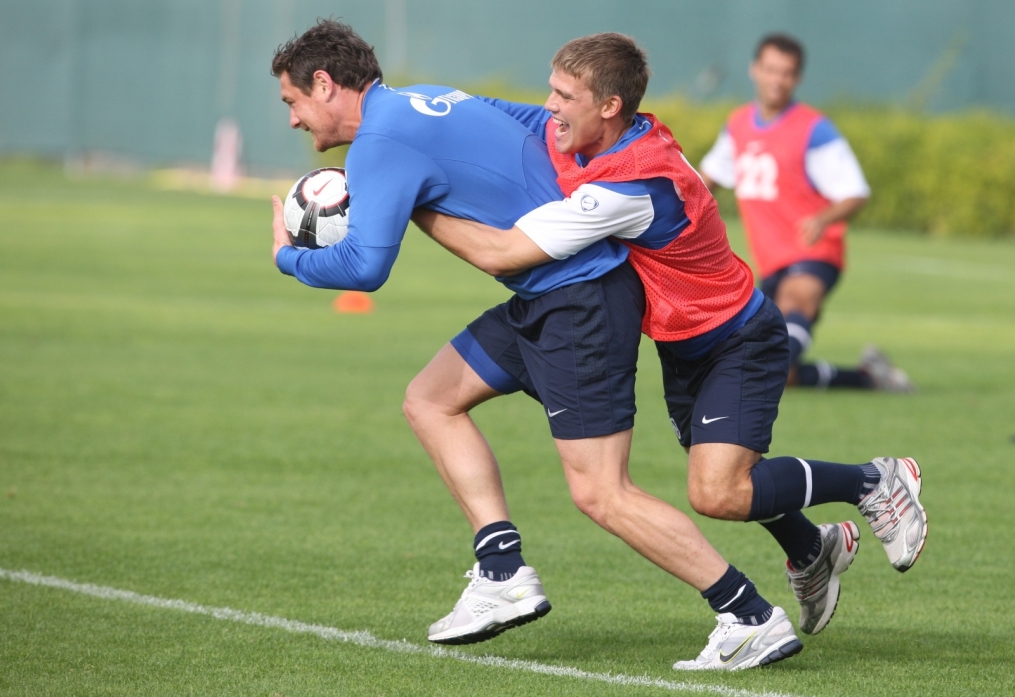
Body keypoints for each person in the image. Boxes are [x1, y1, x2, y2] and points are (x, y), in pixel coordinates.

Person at [268, 20, 796, 670]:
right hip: (552, 297)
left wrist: (288, 258)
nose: (292, 118)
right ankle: (501, 571)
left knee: (601, 492)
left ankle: (747, 613)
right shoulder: (423, 99)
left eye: (292, 100)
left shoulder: (379, 142)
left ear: (324, 84)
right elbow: (535, 127)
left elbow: (362, 267)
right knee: (430, 399)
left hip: (578, 304)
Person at [414, 33, 929, 665]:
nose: (549, 106)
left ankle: (874, 480)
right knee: (728, 481)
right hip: (686, 347)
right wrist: (420, 111)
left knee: (718, 492)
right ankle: (809, 549)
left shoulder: (627, 190)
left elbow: (501, 252)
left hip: (738, 338)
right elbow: (498, 114)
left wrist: (415, 198)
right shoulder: (599, 130)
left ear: (609, 106)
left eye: (564, 95)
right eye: (551, 89)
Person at [700, 33, 913, 392]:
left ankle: (754, 370)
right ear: (755, 70)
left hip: (813, 252)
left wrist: (822, 218)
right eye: (770, 69)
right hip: (771, 261)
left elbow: (855, 192)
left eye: (786, 73)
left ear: (797, 78)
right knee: (782, 375)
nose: (777, 80)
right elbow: (706, 182)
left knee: (790, 312)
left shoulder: (814, 129)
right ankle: (869, 378)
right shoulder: (737, 125)